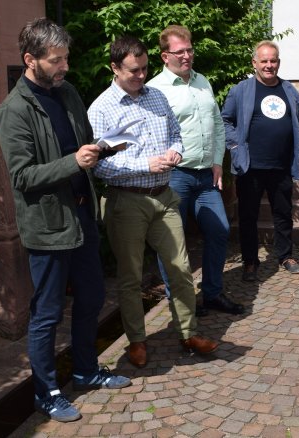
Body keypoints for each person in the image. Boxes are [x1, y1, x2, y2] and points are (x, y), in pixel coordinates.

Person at [0, 18, 131, 423]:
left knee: (91, 298)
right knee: (48, 313)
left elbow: (81, 143)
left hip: (82, 215)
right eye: (56, 60)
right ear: (30, 60)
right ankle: (46, 391)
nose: (65, 66)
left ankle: (86, 371)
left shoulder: (67, 92)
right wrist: (73, 161)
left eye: (66, 58)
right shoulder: (14, 111)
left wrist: (100, 150)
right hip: (48, 226)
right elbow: (22, 177)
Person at [87, 35, 219, 369]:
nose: (141, 75)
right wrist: (144, 165)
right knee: (131, 277)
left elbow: (176, 134)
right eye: (133, 70)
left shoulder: (158, 97)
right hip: (127, 202)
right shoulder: (101, 108)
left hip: (164, 196)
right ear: (115, 67)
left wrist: (176, 150)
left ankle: (188, 333)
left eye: (145, 68)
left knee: (181, 268)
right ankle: (137, 341)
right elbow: (99, 165)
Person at [147, 25, 244, 315]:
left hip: (205, 175)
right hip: (176, 176)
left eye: (189, 49)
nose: (187, 55)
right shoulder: (155, 89)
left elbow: (215, 124)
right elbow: (151, 134)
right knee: (172, 242)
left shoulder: (203, 82)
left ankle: (212, 293)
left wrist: (217, 162)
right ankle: (179, 300)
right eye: (180, 52)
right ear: (166, 56)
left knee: (219, 230)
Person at [221, 40, 299, 282]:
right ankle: (250, 261)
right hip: (250, 166)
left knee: (283, 212)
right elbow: (225, 119)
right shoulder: (241, 90)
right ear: (255, 63)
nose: (269, 65)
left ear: (278, 62)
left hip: (281, 165)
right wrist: (235, 146)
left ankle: (285, 256)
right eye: (264, 61)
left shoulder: (289, 90)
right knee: (248, 216)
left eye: (273, 61)